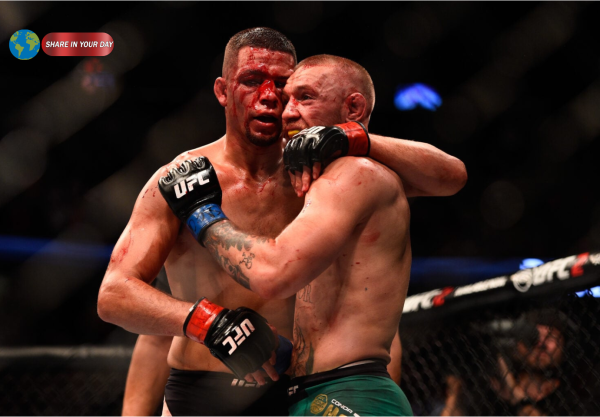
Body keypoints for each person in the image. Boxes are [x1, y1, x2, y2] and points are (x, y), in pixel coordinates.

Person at [99, 27, 465, 415]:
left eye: (281, 84)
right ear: (222, 91)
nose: (269, 96)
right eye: (252, 81)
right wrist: (208, 323)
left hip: (304, 389)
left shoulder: (324, 173)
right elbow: (114, 293)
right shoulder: (184, 180)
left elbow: (450, 177)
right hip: (201, 389)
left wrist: (354, 137)